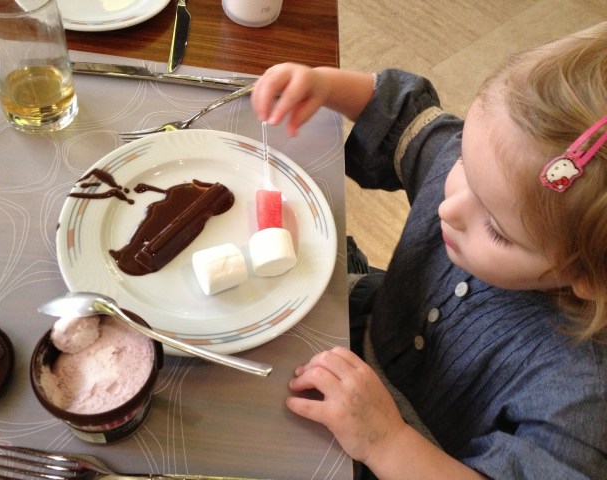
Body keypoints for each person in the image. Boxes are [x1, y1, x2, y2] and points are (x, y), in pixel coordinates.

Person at [251, 22, 607, 479]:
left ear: (588, 276)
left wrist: (386, 441)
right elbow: (403, 117)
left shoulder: (581, 395)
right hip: (360, 322)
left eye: (497, 230)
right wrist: (325, 85)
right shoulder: (494, 171)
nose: (449, 207)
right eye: (463, 164)